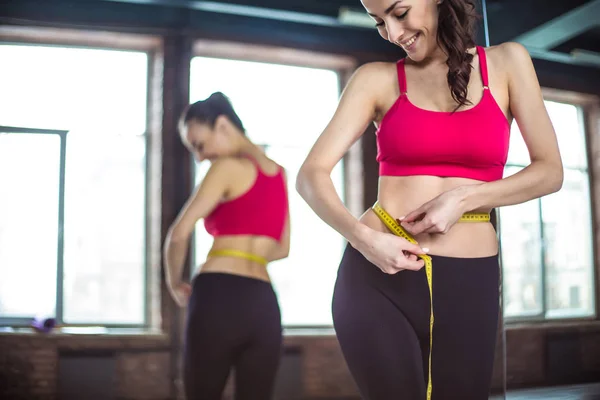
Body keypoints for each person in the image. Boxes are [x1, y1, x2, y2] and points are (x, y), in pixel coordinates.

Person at [296, 0, 563, 399]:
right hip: (376, 276)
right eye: (379, 22)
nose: (392, 32)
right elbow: (310, 175)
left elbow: (550, 172)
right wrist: (364, 240)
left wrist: (464, 199)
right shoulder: (376, 79)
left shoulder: (508, 63)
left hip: (469, 280)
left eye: (399, 13)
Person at [163, 92, 290, 400]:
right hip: (263, 303)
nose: (200, 157)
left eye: (199, 145)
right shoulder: (279, 174)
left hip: (218, 295)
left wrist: (174, 283)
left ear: (222, 125)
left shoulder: (226, 168)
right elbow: (282, 249)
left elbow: (179, 234)